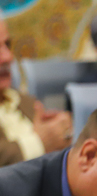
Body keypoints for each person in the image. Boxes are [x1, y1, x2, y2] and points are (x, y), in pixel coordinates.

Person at [0, 17, 71, 167]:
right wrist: (39, 142)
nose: (8, 57)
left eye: (7, 45)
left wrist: (61, 130)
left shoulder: (26, 102)